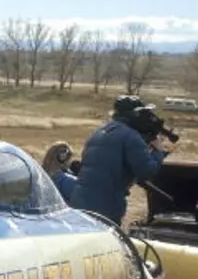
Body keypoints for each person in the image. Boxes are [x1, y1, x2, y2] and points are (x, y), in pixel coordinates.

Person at [69, 95, 172, 225]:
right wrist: (158, 151)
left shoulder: (99, 132)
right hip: (106, 206)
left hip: (79, 202)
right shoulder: (131, 136)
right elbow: (147, 170)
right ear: (134, 115)